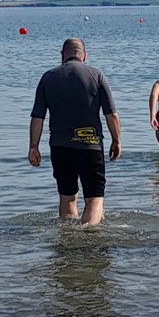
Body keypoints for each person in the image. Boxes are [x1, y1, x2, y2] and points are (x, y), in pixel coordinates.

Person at [28, 37, 121, 225]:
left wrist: (33, 147)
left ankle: (68, 245)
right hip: (91, 146)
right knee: (94, 199)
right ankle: (88, 240)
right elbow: (111, 114)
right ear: (84, 55)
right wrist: (116, 140)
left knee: (67, 198)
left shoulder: (48, 77)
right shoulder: (97, 75)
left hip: (60, 148)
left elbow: (38, 117)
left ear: (62, 55)